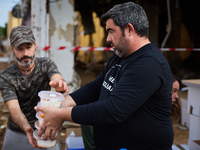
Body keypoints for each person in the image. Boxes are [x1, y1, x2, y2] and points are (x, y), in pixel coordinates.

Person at [35, 2, 173, 149]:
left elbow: (113, 110)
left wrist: (61, 115)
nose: (107, 38)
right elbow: (96, 87)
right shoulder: (120, 56)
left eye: (111, 31)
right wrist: (62, 104)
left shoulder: (149, 63)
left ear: (129, 29)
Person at [0, 25, 69, 150]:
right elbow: (14, 108)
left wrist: (59, 82)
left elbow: (55, 77)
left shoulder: (46, 64)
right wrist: (27, 128)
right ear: (12, 49)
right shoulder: (6, 76)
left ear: (35, 45)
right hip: (17, 131)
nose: (25, 53)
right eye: (20, 49)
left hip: (46, 128)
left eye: (28, 47)